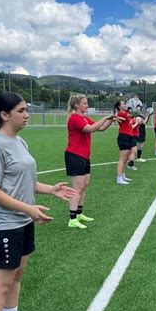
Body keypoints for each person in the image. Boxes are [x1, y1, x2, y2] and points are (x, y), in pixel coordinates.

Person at [0, 93, 76, 311]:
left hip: (23, 222)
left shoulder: (19, 141)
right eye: (21, 111)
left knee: (16, 278)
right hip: (3, 225)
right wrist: (28, 208)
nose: (27, 115)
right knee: (0, 286)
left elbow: (28, 182)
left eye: (26, 110)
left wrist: (51, 189)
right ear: (4, 115)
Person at [65, 95, 118, 229]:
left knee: (84, 186)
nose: (87, 105)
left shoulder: (83, 118)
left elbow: (99, 128)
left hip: (84, 156)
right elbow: (90, 129)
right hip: (74, 155)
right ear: (77, 105)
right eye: (85, 103)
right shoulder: (75, 118)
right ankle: (72, 219)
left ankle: (79, 213)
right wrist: (105, 117)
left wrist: (111, 120)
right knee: (77, 188)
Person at [114, 100, 134, 184]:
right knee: (122, 159)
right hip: (123, 136)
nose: (125, 105)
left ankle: (123, 175)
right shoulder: (122, 113)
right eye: (123, 104)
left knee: (126, 158)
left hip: (128, 136)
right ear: (119, 107)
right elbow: (131, 115)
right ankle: (119, 178)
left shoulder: (125, 113)